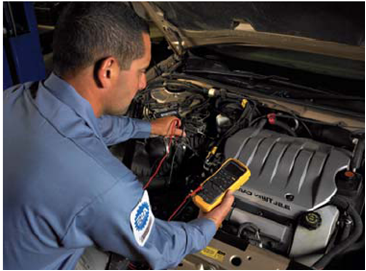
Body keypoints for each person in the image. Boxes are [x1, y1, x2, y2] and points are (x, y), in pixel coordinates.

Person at [3, 3, 234, 270]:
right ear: (108, 70)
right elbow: (161, 248)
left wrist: (151, 128)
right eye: (141, 71)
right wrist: (209, 224)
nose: (143, 83)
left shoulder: (15, 97)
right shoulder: (107, 185)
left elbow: (89, 126)